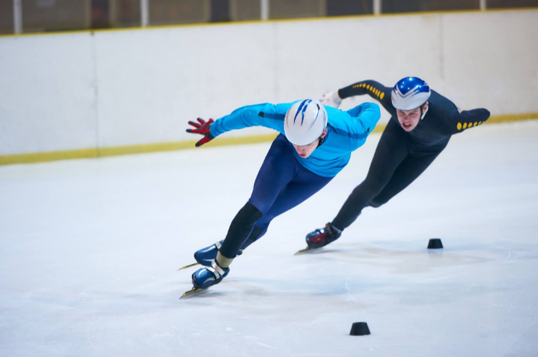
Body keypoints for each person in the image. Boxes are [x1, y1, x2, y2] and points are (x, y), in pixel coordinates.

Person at [185, 98, 381, 292]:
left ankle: (229, 245)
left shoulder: (352, 133)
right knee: (256, 208)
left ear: (323, 132)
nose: (300, 148)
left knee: (266, 215)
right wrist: (214, 128)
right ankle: (219, 267)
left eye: (306, 143)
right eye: (295, 140)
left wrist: (346, 114)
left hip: (320, 173)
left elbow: (371, 107)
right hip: (285, 155)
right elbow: (247, 114)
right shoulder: (283, 116)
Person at [304, 77, 491, 249]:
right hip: (399, 136)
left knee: (378, 199)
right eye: (401, 112)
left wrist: (461, 116)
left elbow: (485, 113)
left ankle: (358, 204)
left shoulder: (449, 121)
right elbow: (369, 86)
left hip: (427, 150)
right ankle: (332, 231)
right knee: (371, 186)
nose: (406, 119)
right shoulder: (391, 101)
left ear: (424, 108)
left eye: (411, 113)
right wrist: (337, 95)